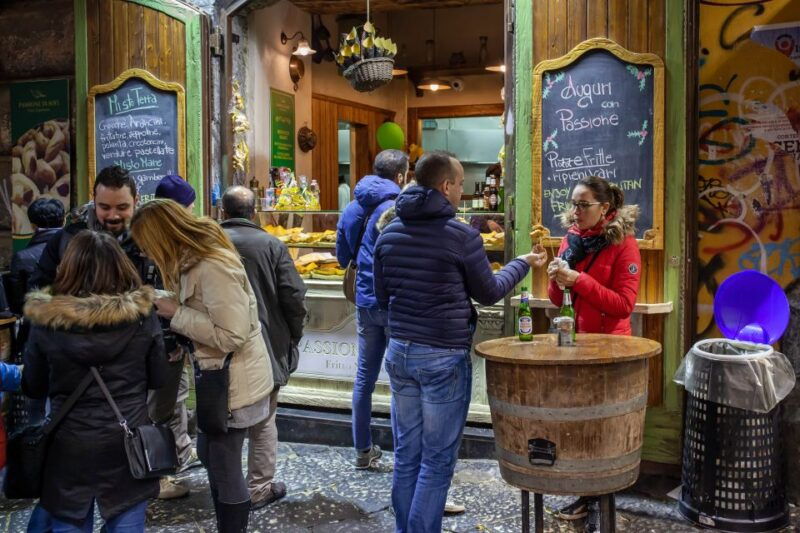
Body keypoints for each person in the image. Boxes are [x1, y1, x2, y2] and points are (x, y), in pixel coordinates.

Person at [373, 151, 548, 532]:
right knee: (436, 461)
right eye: (460, 184)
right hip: (442, 357)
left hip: (399, 352)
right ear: (447, 186)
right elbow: (488, 292)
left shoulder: (388, 233)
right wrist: (521, 263)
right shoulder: (461, 235)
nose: (462, 192)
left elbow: (382, 298)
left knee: (407, 456)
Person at [130, 199, 274, 533]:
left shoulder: (211, 265)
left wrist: (173, 312)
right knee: (210, 454)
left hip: (235, 382)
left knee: (223, 463)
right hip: (218, 378)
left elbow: (231, 333)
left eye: (147, 246)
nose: (146, 254)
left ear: (162, 237)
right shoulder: (192, 262)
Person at [21, 230, 167, 532]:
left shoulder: (44, 320)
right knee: (127, 520)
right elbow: (159, 378)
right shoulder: (143, 317)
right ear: (121, 265)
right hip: (127, 439)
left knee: (68, 520)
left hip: (68, 442)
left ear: (68, 267)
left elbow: (33, 386)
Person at [546, 175, 641, 532]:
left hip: (610, 349)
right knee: (578, 426)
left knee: (604, 430)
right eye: (572, 204)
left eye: (583, 205)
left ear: (605, 208)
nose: (575, 212)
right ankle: (585, 497)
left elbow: (623, 305)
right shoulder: (570, 241)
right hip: (573, 344)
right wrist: (556, 279)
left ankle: (601, 503)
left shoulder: (624, 245)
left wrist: (578, 281)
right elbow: (558, 302)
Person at [220, 186, 307, 510]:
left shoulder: (205, 243)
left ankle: (224, 486)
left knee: (221, 420)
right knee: (264, 418)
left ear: (222, 211)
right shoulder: (271, 244)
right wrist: (293, 336)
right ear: (255, 212)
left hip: (215, 344)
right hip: (265, 344)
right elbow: (293, 296)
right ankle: (258, 487)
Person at [335, 149, 406, 469]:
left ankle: (362, 451)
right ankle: (404, 452)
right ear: (401, 176)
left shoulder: (353, 206)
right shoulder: (401, 207)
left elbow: (342, 256)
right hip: (394, 300)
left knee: (364, 377)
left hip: (365, 300)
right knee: (400, 379)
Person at [148, 174, 200, 500]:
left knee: (175, 399)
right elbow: (158, 299)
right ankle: (158, 475)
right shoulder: (159, 244)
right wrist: (171, 343)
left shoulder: (165, 238)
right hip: (163, 342)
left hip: (173, 340)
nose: (193, 213)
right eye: (189, 207)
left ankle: (180, 453)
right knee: (160, 409)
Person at [32, 165, 149, 289]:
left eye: (122, 207)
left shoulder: (150, 240)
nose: (113, 216)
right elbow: (39, 290)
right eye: (105, 207)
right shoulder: (66, 239)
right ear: (94, 201)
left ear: (136, 201)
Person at [7, 198, 65, 314]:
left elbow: (18, 304)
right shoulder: (80, 250)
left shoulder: (21, 258)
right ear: (64, 220)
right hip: (77, 323)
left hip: (37, 325)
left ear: (32, 226)